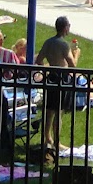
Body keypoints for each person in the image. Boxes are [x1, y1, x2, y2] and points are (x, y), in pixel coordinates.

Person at [35, 16, 81, 164]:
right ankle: (57, 142)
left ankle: (47, 139)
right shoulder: (63, 44)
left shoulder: (48, 42)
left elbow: (39, 60)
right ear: (65, 28)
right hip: (62, 79)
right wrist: (76, 55)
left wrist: (47, 70)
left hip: (51, 79)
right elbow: (72, 65)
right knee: (59, 112)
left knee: (49, 111)